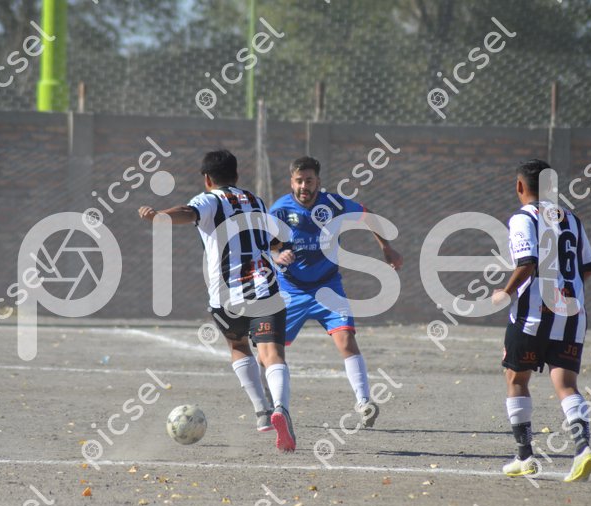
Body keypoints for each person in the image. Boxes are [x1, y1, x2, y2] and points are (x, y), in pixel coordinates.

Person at [138, 150, 295, 452]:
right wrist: (280, 250)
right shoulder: (256, 201)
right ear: (236, 175)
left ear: (207, 178)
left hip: (225, 296)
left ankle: (262, 411)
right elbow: (271, 238)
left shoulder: (208, 199)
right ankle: (280, 408)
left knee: (238, 347)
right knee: (272, 354)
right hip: (263, 290)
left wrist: (159, 216)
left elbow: (187, 212)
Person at [268, 156, 403, 427]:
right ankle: (272, 409)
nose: (304, 186)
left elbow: (367, 215)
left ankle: (364, 403)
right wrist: (277, 256)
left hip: (328, 286)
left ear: (318, 181)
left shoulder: (334, 204)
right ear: (291, 182)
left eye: (309, 180)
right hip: (291, 290)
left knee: (346, 341)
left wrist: (386, 247)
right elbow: (268, 245)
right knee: (270, 350)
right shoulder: (279, 210)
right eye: (299, 181)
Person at [492, 159, 591, 481]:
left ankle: (525, 456)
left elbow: (527, 262)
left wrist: (506, 292)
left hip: (532, 316)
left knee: (516, 380)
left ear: (519, 186)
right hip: (572, 315)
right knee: (566, 385)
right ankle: (583, 450)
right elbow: (589, 267)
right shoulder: (572, 219)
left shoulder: (523, 217)